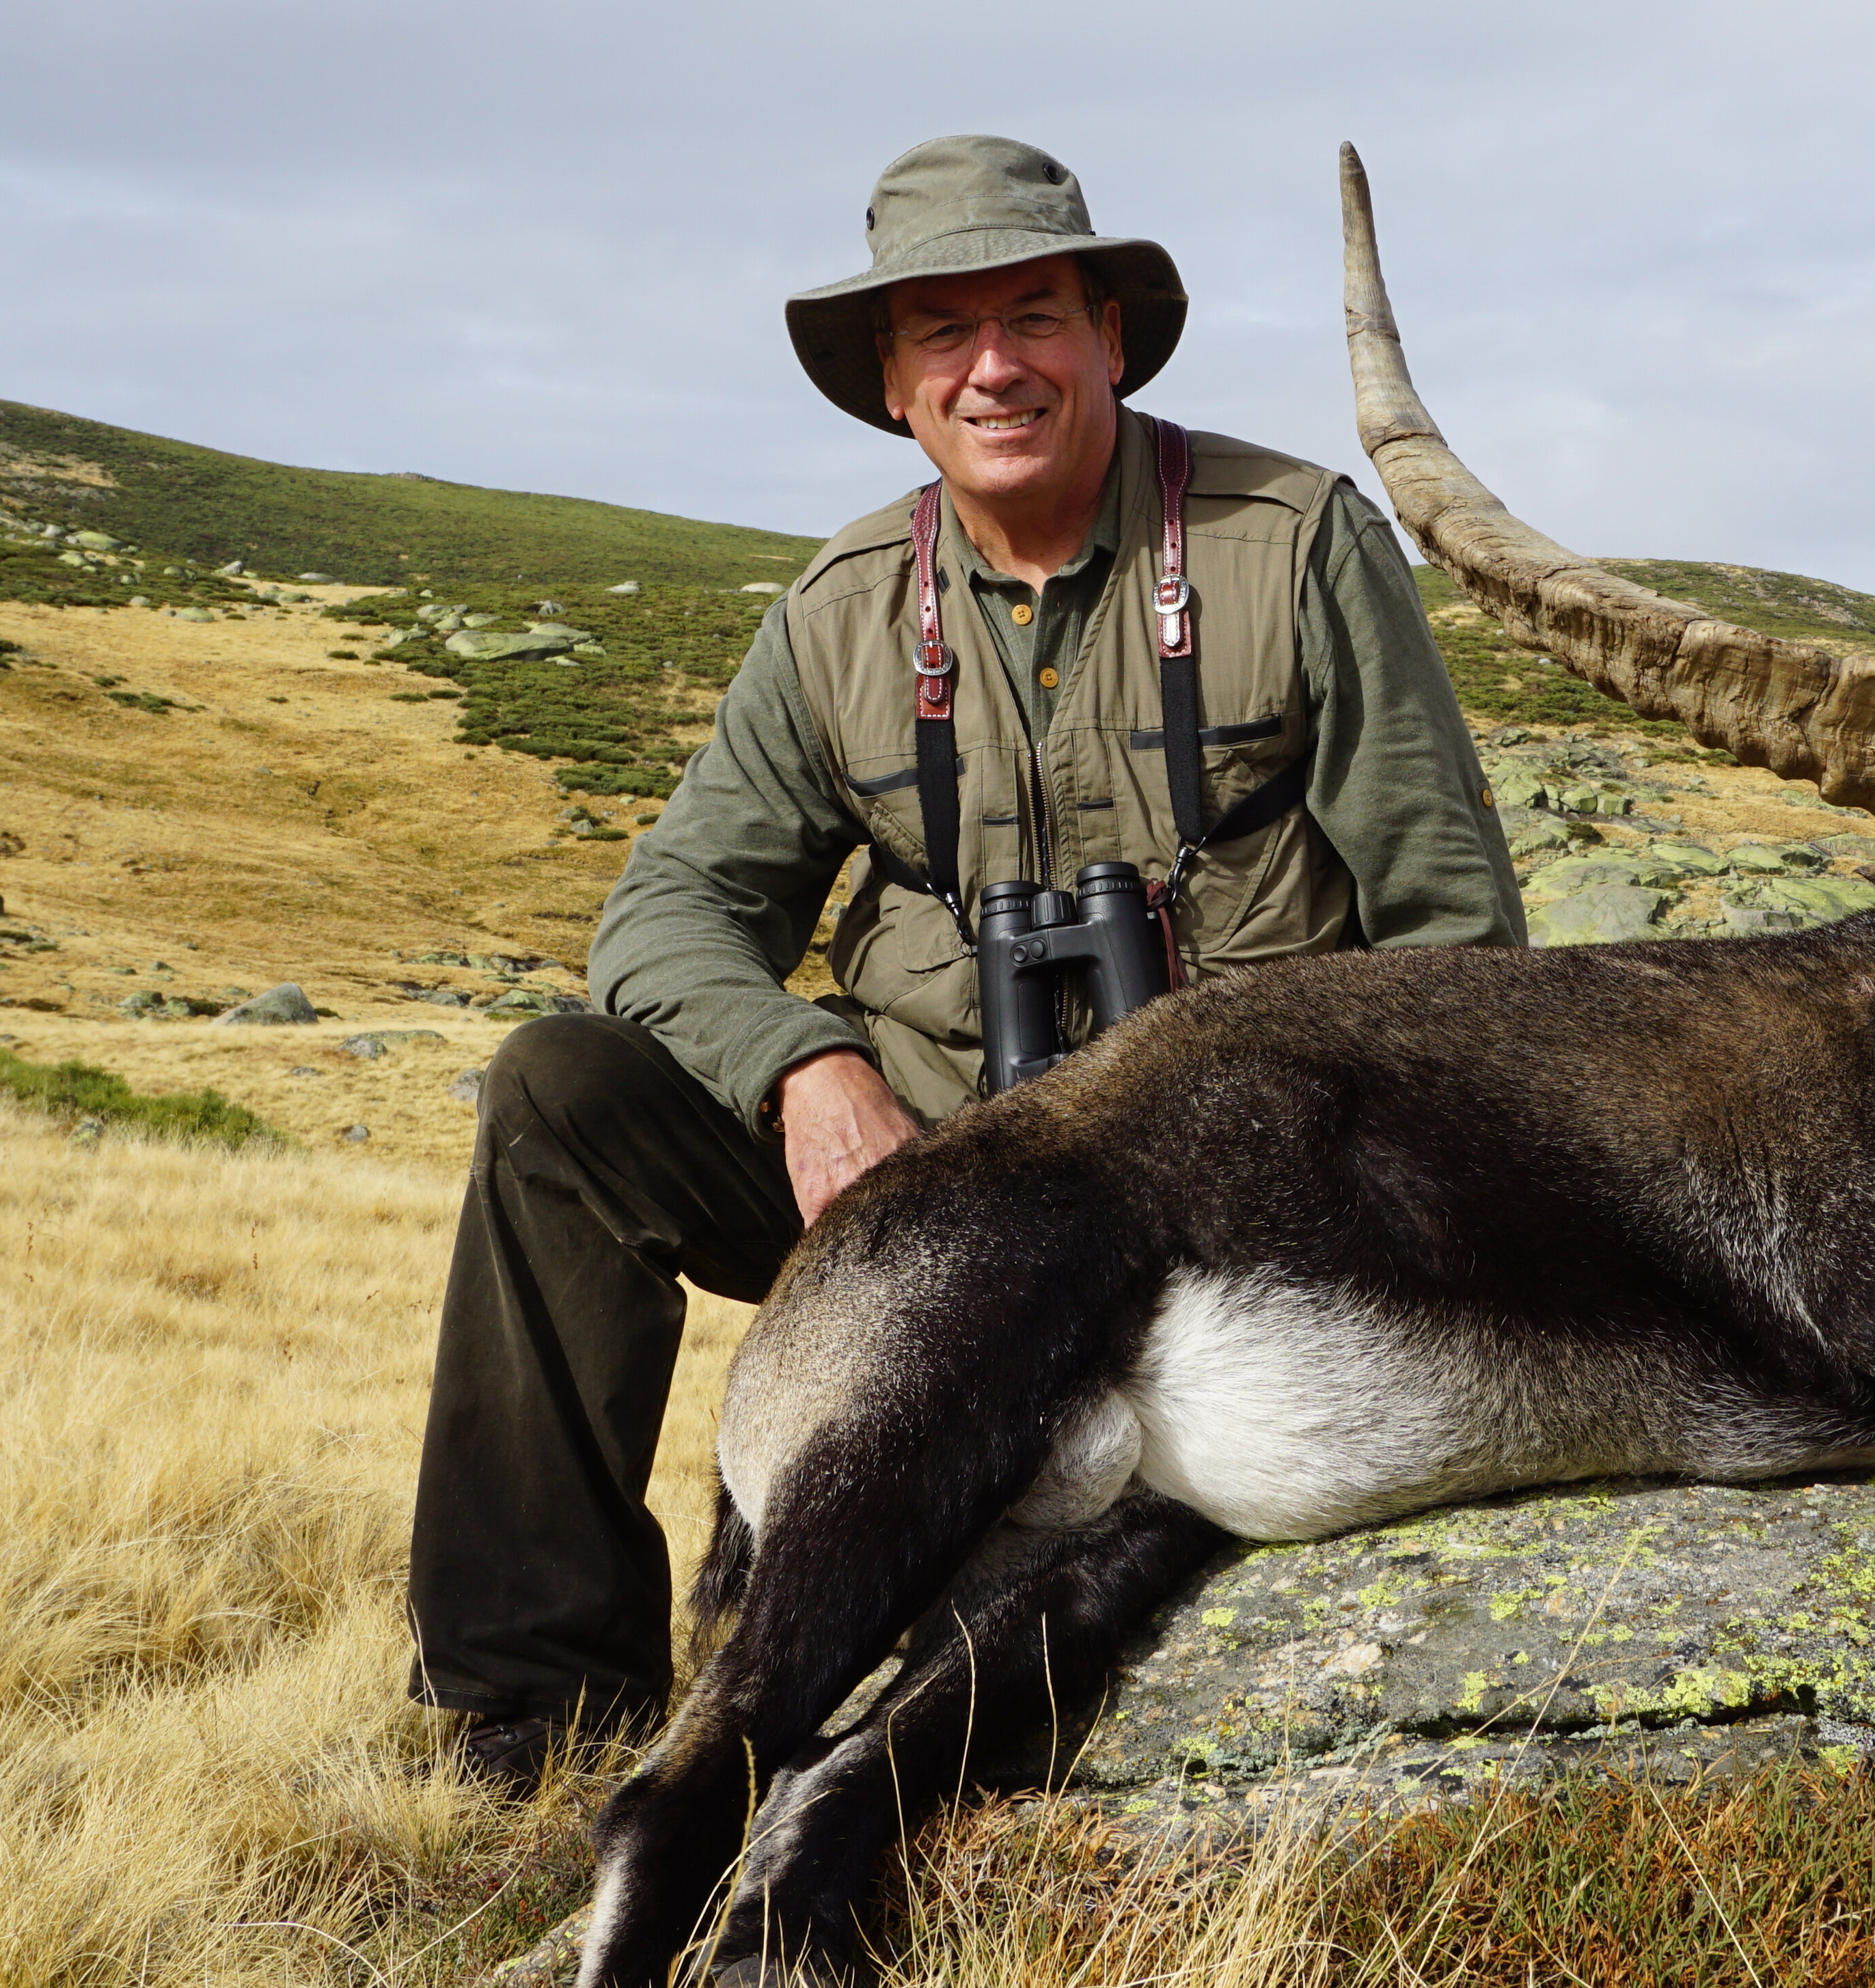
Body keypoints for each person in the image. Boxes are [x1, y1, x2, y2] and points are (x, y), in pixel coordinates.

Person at [405, 134, 1523, 1791]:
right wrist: (808, 1068)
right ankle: (533, 1702)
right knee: (558, 1096)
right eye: (944, 330)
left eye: (1034, 315)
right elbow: (662, 916)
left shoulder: (1294, 543)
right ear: (894, 381)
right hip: (926, 1176)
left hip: (1234, 1196)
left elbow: (1458, 940)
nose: (993, 364)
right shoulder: (841, 612)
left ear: (1112, 339)